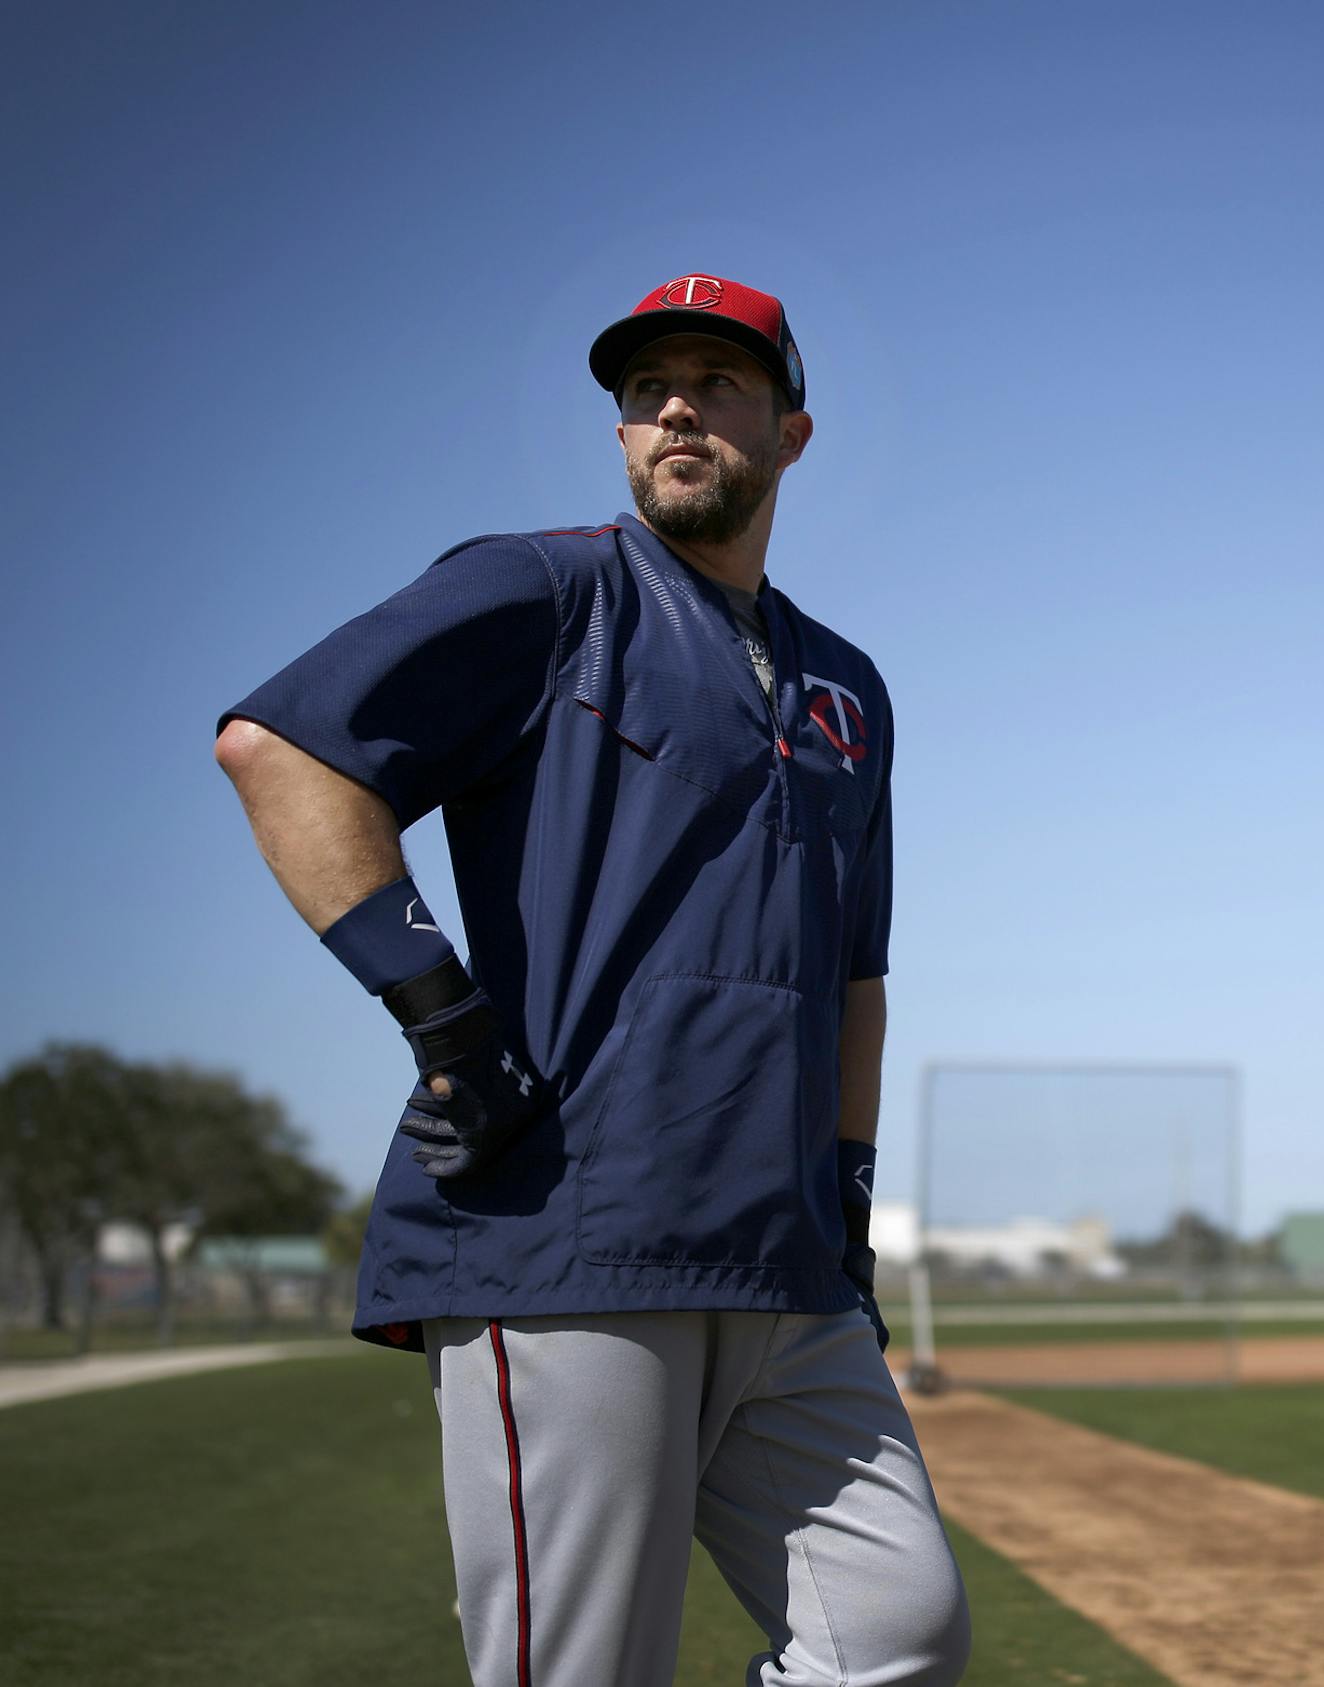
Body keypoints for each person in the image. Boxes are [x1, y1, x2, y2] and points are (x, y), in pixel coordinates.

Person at [213, 273, 970, 1687]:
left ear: (791, 433)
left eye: (718, 382)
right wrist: (443, 1019)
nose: (676, 406)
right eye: (645, 389)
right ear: (624, 433)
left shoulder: (847, 687)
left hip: (788, 1260)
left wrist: (851, 1194)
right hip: (569, 1232)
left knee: (899, 1639)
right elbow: (286, 753)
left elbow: (858, 974)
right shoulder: (549, 589)